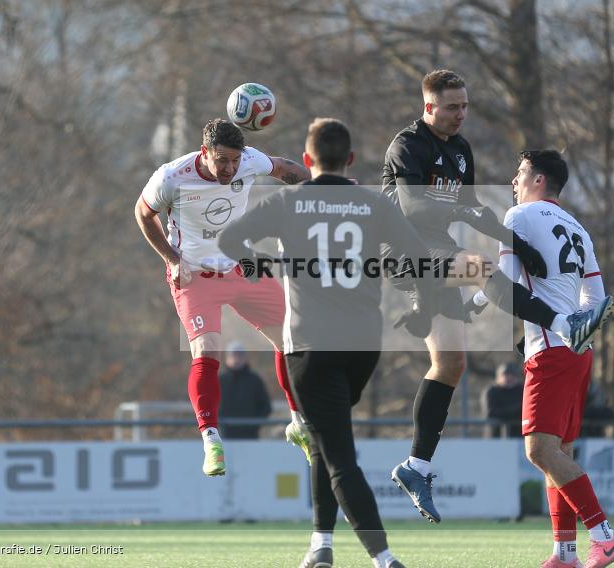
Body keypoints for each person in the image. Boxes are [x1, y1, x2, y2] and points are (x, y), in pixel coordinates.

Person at [381, 69, 614, 523]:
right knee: (482, 267)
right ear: (428, 107)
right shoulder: (406, 146)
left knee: (451, 363)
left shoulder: (461, 151)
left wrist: (521, 245)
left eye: (465, 106)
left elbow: (468, 209)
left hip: (439, 252)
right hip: (401, 251)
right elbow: (413, 206)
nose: (461, 114)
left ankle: (416, 466)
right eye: (452, 107)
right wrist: (478, 216)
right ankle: (566, 326)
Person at [219, 118, 430, 568]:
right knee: (322, 436)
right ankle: (321, 545)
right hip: (362, 346)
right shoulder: (373, 203)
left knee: (338, 457)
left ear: (308, 159)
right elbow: (416, 255)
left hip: (311, 346)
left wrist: (259, 262)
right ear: (350, 160)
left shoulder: (288, 201)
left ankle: (384, 557)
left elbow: (228, 238)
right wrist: (416, 297)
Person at [134, 118, 314, 477]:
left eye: (235, 160)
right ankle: (211, 440)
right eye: (222, 161)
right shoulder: (172, 177)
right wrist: (172, 259)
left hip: (240, 266)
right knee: (207, 350)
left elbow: (285, 169)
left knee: (293, 339)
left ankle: (298, 423)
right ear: (204, 153)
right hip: (195, 275)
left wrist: (326, 182)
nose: (230, 169)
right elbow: (143, 213)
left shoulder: (249, 160)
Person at [501, 150, 614, 567]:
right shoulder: (578, 228)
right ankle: (564, 553)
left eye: (519, 174)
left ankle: (604, 537)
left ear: (538, 179)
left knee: (539, 451)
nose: (513, 182)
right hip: (578, 352)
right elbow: (599, 299)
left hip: (550, 352)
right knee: (560, 453)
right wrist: (575, 329)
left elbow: (504, 288)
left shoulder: (519, 217)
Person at [218, 341, 272, 439]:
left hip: (250, 436)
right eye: (233, 355)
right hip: (225, 435)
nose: (237, 358)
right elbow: (210, 406)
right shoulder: (219, 380)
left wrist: (254, 424)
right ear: (227, 358)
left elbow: (266, 406)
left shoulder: (255, 380)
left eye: (240, 355)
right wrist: (220, 424)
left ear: (246, 358)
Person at [481, 362, 524, 437]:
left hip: (519, 436)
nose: (509, 378)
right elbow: (491, 412)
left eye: (512, 375)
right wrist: (515, 411)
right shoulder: (491, 391)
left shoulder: (522, 390)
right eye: (505, 375)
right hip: (496, 436)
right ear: (498, 377)